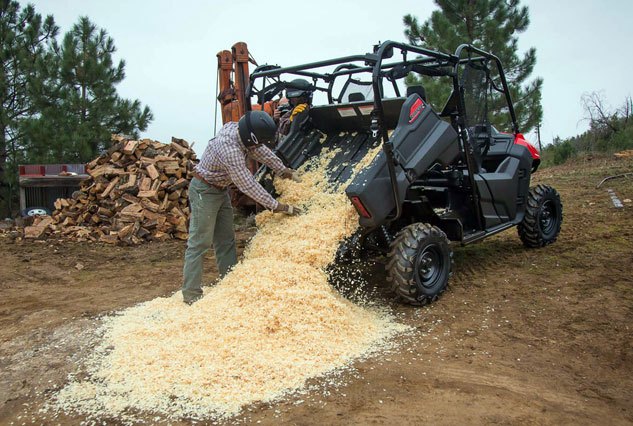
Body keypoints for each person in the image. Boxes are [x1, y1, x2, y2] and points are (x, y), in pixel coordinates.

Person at [182, 110, 301, 305]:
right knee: (200, 242)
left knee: (226, 240)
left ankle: (230, 285)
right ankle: (191, 295)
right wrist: (277, 206)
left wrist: (283, 170)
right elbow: (248, 185)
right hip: (204, 191)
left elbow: (261, 151)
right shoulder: (230, 151)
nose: (258, 145)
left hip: (220, 190)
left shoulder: (241, 132)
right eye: (257, 141)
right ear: (250, 136)